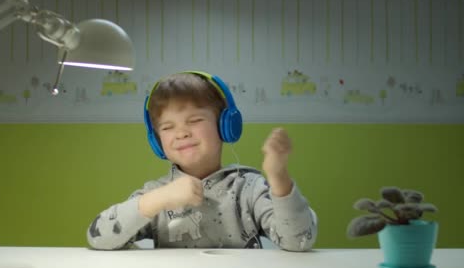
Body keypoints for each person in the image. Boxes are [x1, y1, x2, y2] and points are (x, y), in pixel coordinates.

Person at [87, 71, 317, 250]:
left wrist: (278, 179)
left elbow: (299, 241)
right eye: (167, 127)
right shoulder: (156, 193)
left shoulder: (249, 188)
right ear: (157, 141)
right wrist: (157, 200)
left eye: (194, 120)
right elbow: (98, 238)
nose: (181, 133)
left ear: (225, 126)